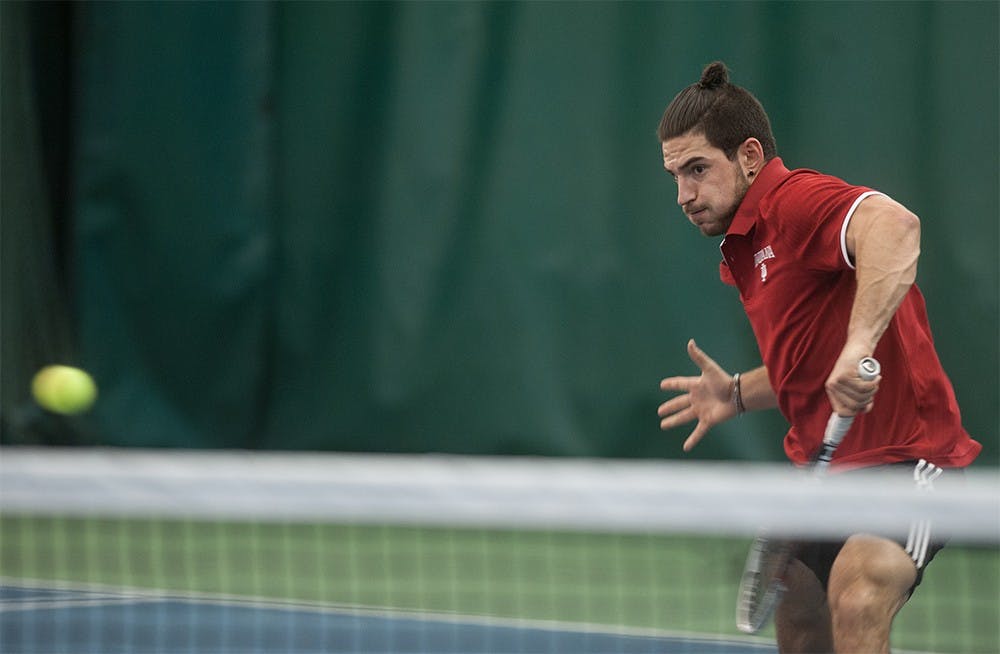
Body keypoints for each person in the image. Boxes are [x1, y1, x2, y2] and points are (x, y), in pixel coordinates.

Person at [654, 61, 981, 654]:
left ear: (749, 156)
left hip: (909, 458)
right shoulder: (742, 246)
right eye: (675, 175)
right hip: (825, 474)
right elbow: (805, 366)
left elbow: (896, 227)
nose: (685, 194)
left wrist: (859, 347)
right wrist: (734, 394)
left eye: (697, 169)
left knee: (857, 595)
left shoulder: (795, 201)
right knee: (801, 619)